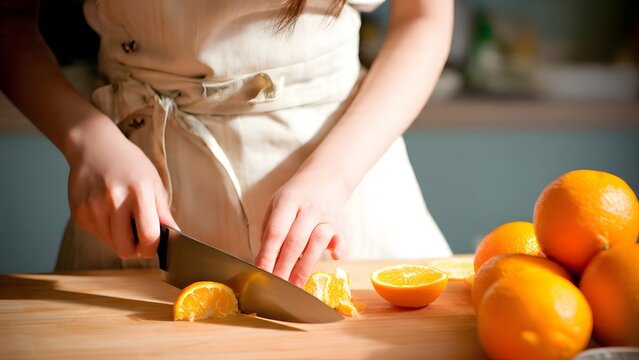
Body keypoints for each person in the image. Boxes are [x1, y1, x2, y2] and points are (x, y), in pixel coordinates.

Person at [0, 0, 453, 287]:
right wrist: (87, 139)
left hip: (344, 176)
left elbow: (425, 18)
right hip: (135, 191)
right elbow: (11, 19)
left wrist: (334, 175)